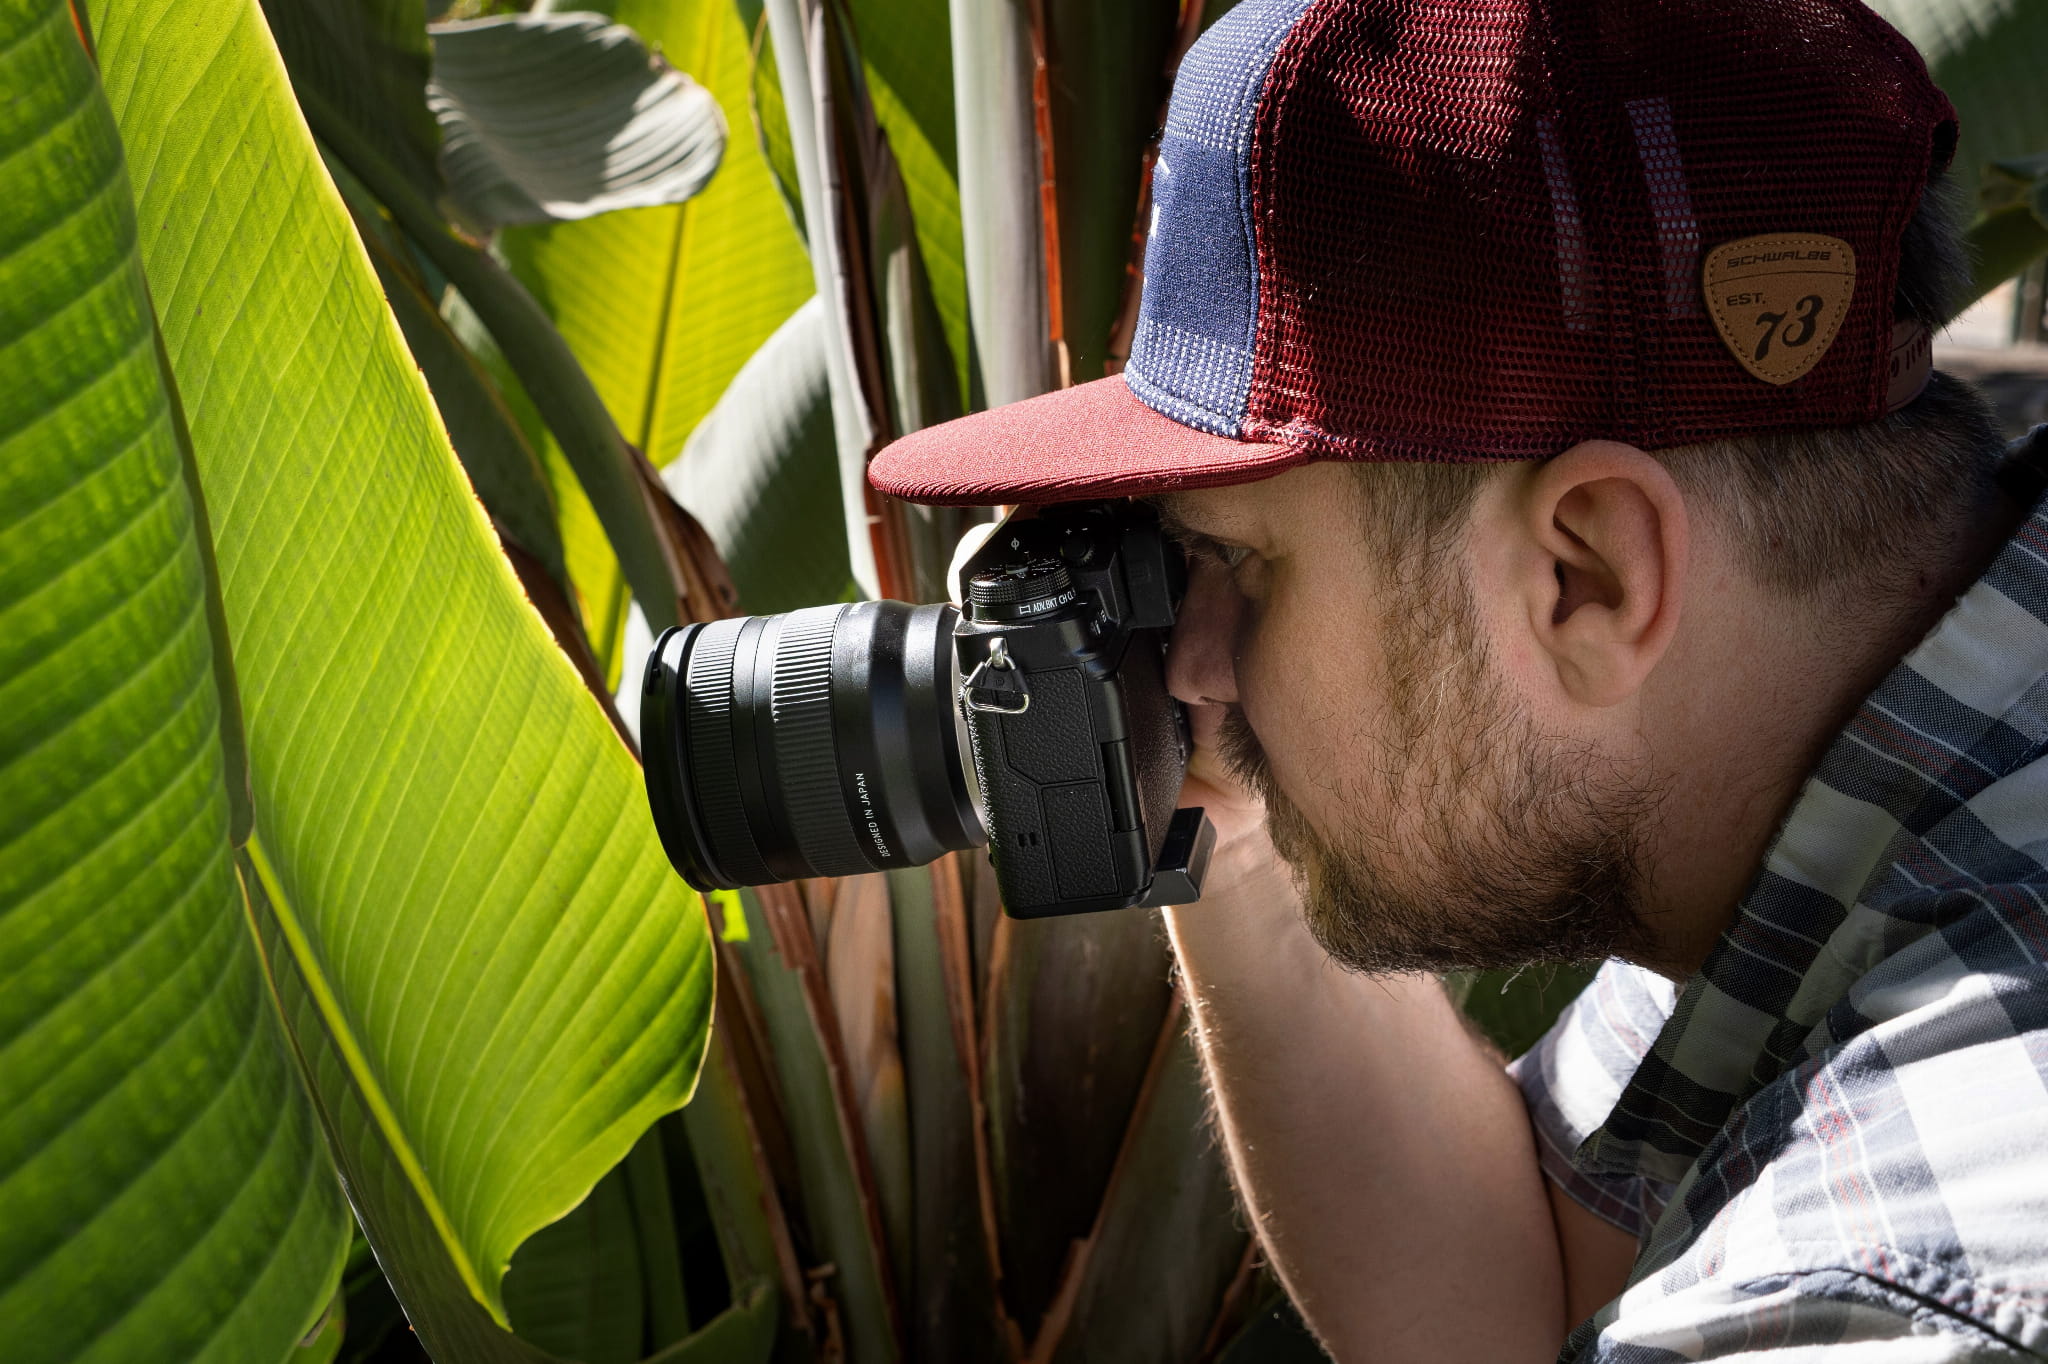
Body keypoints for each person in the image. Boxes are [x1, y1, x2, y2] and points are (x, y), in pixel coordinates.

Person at [871, 0, 2048, 1357]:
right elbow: (1517, 1297)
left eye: (1238, 561)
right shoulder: (1833, 787)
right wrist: (1235, 840)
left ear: (1585, 576)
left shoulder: (1891, 1292)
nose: (1194, 660)